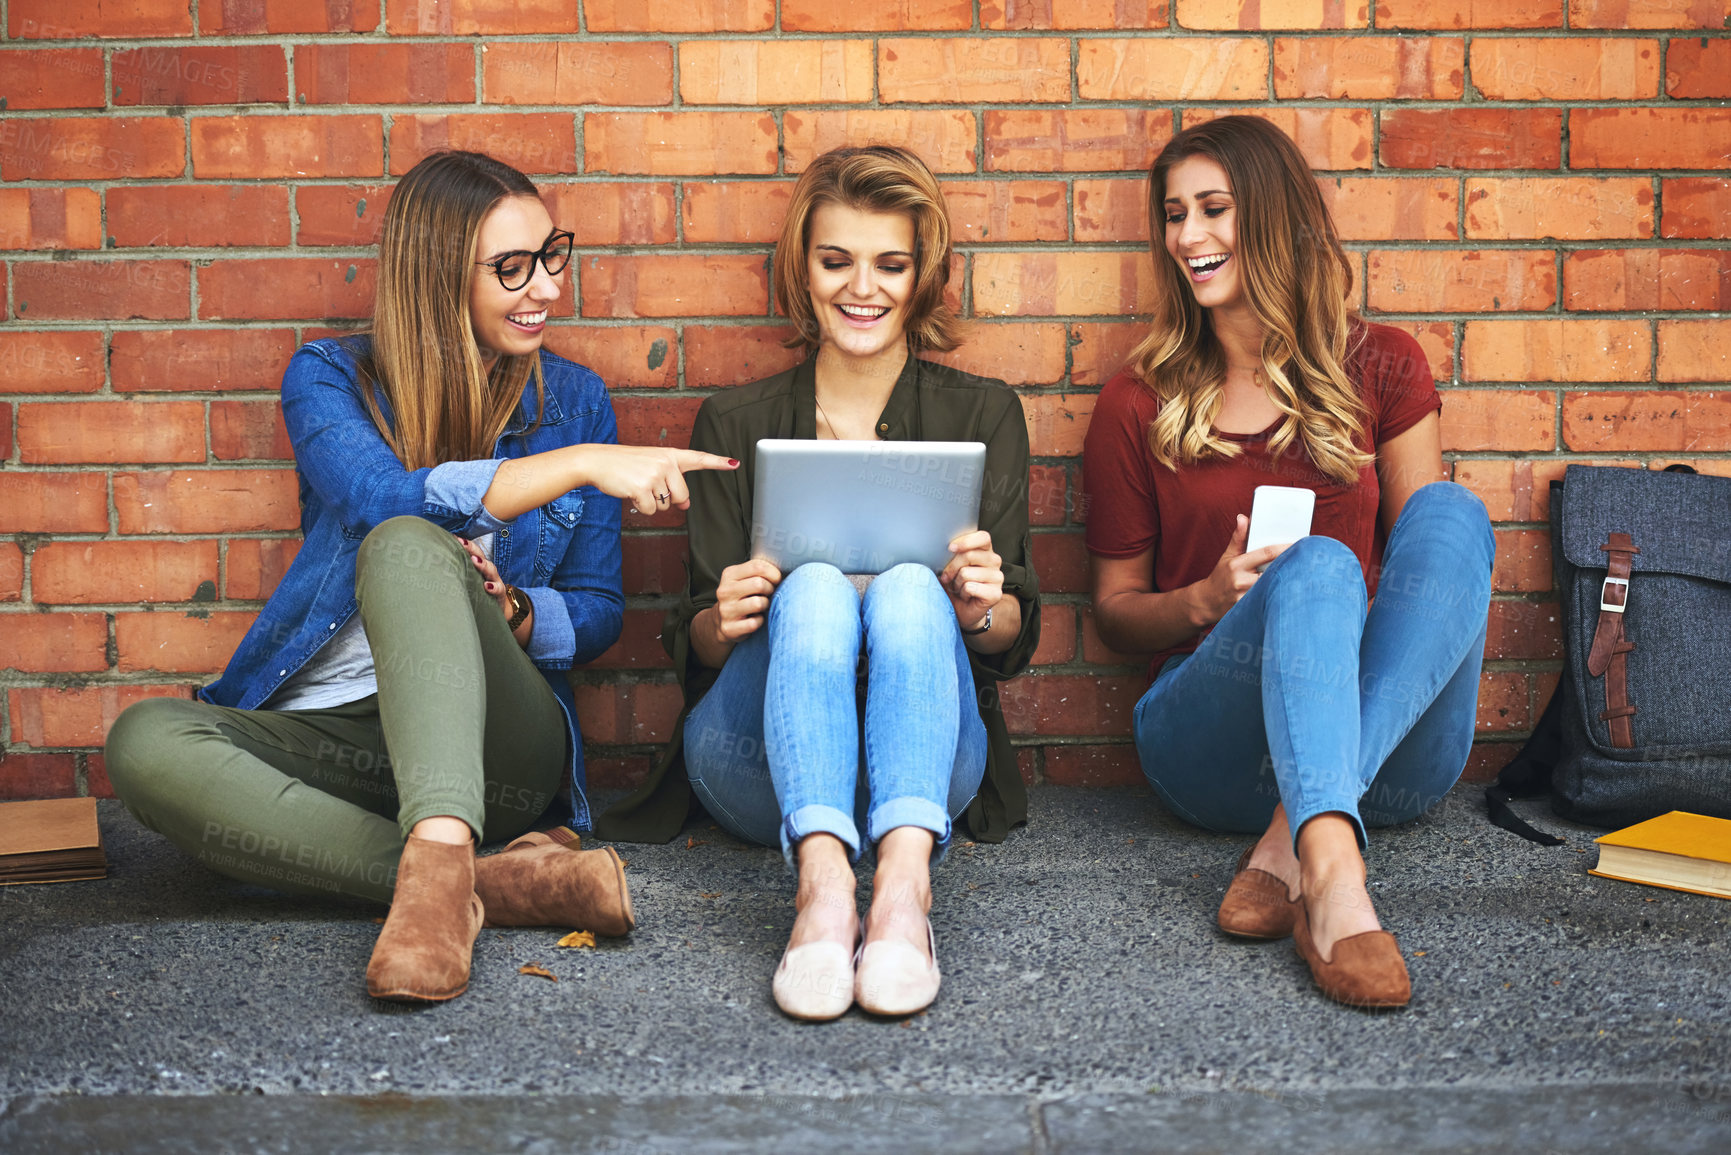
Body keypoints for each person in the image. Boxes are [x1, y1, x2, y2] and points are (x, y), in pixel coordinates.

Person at [104, 150, 736, 1003]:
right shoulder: (331, 378)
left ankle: (441, 856)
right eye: (512, 268)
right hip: (343, 732)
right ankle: (490, 884)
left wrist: (510, 609)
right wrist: (580, 466)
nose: (546, 286)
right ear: (438, 273)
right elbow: (377, 498)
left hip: (495, 746)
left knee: (409, 545)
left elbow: (594, 616)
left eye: (553, 254)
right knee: (145, 742)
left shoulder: (574, 400)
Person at [596, 146, 1040, 1020]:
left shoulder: (980, 415)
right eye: (835, 261)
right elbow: (697, 639)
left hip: (927, 767)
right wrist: (724, 617)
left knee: (912, 584)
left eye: (889, 264)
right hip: (761, 760)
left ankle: (903, 893)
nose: (860, 288)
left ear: (922, 276)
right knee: (813, 590)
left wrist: (978, 605)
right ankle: (824, 889)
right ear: (803, 270)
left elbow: (1009, 636)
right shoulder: (736, 422)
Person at [1082, 117, 1493, 1009]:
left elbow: (1426, 573)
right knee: (1315, 567)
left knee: (1452, 514)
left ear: (1268, 214)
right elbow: (1114, 613)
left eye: (1213, 209)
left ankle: (1295, 839)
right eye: (1173, 214)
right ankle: (1338, 887)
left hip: (1381, 754)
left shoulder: (1381, 364)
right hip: (1209, 749)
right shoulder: (1135, 401)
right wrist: (1204, 599)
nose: (1186, 237)